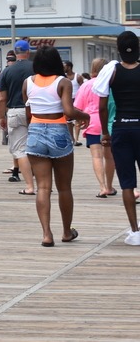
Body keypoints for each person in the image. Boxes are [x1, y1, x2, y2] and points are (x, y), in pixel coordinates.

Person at [23, 45, 89, 247]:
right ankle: (67, 232)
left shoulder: (27, 82)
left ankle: (46, 234)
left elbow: (28, 112)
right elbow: (68, 110)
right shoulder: (63, 82)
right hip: (58, 131)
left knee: (43, 187)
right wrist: (84, 116)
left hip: (35, 132)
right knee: (64, 188)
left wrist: (34, 130)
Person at [95, 30, 140, 245]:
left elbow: (102, 106)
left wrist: (105, 132)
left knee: (127, 184)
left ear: (119, 51)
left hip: (121, 128)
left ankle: (135, 230)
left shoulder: (111, 71)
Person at [0, 40, 36, 194]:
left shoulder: (7, 71)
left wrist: (1, 117)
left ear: (15, 53)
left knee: (21, 150)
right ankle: (45, 183)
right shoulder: (35, 69)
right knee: (38, 148)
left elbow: (2, 98)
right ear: (28, 52)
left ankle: (30, 186)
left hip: (15, 111)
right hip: (35, 111)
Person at [75, 58, 116, 198]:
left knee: (96, 157)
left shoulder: (86, 86)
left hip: (92, 122)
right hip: (109, 122)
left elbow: (77, 107)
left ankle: (102, 187)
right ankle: (110, 187)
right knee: (109, 157)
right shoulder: (111, 84)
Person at [64, 60, 85, 146]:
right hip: (67, 99)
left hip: (77, 100)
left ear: (69, 67)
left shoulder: (78, 77)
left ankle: (76, 139)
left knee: (78, 120)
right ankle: (72, 139)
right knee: (68, 121)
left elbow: (83, 88)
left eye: (64, 66)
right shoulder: (63, 77)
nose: (63, 67)